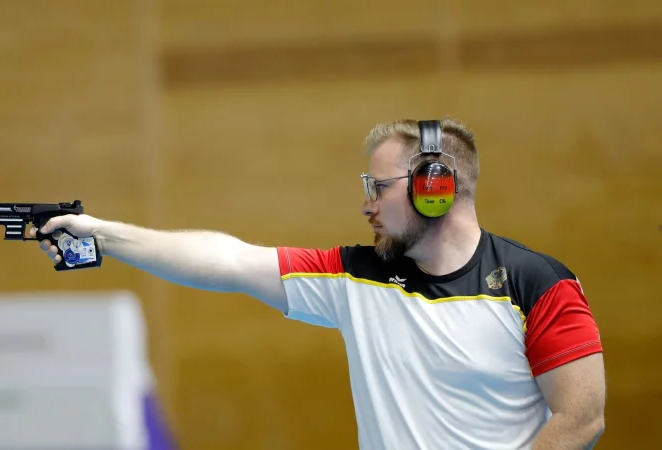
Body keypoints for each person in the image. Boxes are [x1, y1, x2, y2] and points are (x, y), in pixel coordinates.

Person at [30, 118, 606, 450]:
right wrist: (104, 233)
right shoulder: (355, 275)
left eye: (379, 187)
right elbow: (230, 261)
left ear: (435, 187)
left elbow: (581, 417)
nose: (367, 205)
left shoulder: (537, 284)